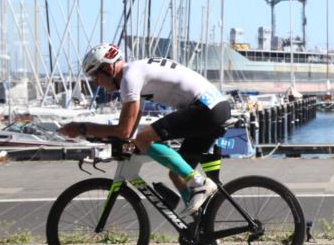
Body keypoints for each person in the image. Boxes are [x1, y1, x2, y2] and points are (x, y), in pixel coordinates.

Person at [59, 44, 230, 217]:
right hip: (213, 107)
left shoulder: (129, 78)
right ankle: (202, 228)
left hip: (206, 108)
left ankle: (198, 183)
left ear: (108, 68)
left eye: (95, 75)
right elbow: (129, 130)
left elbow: (124, 131)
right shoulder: (136, 74)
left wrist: (82, 128)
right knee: (177, 174)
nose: (95, 82)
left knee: (144, 139)